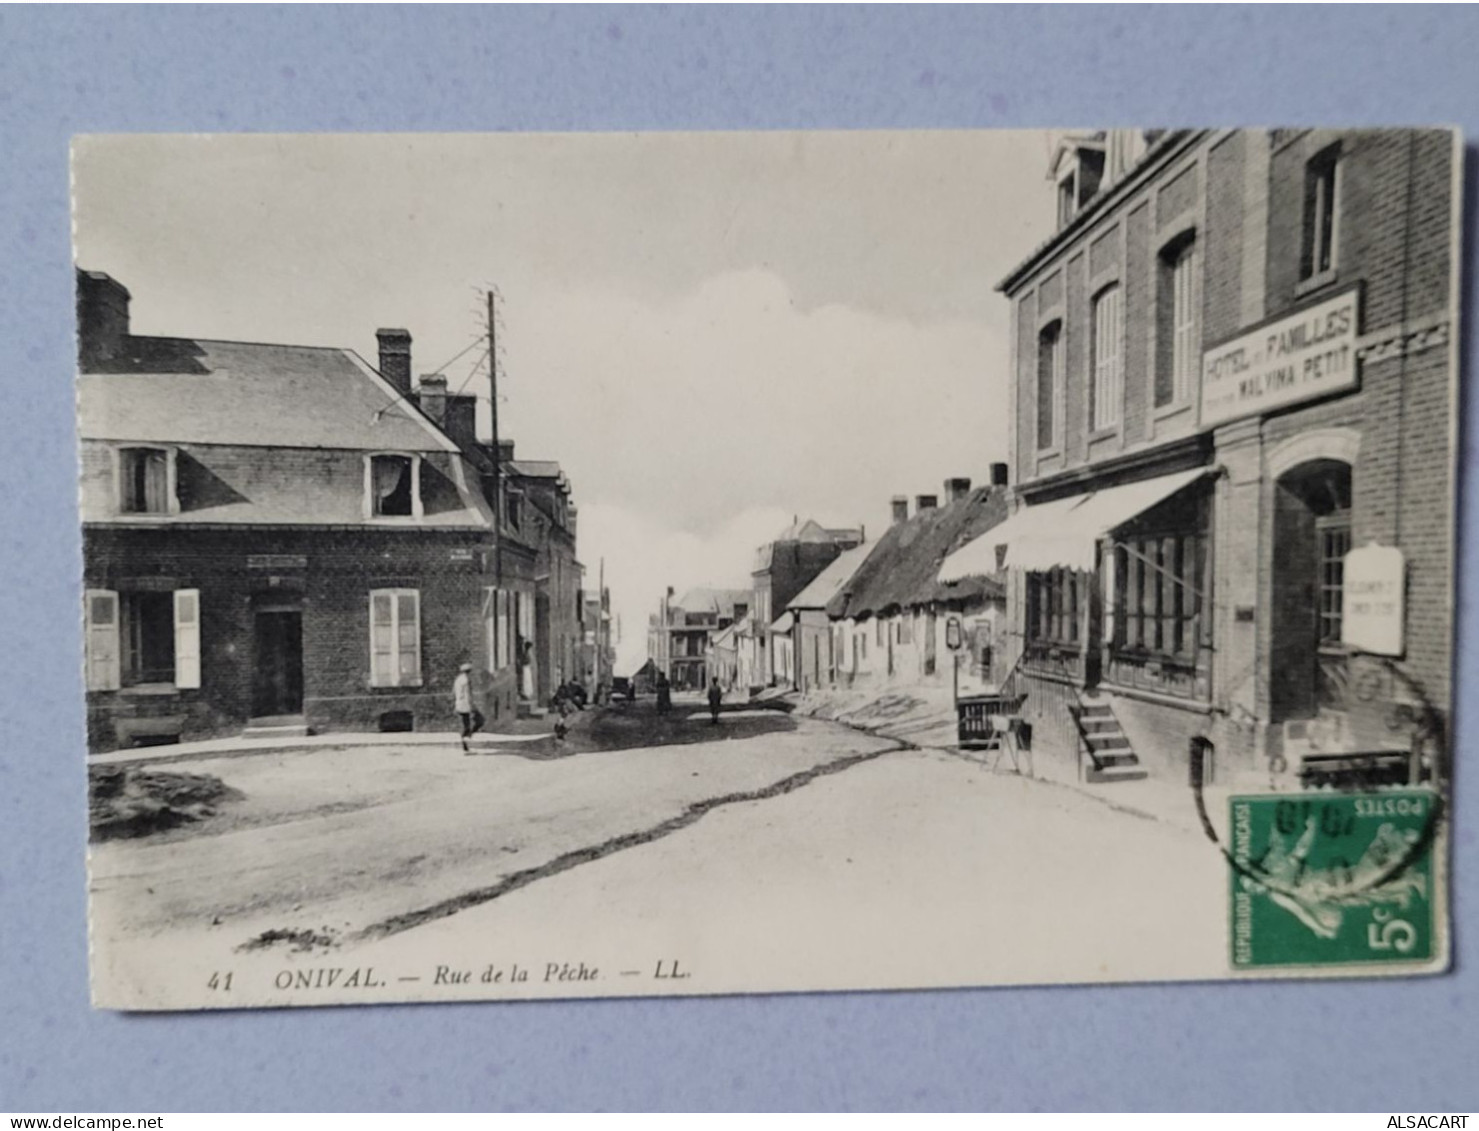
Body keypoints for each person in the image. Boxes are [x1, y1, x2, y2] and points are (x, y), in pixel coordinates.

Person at [453, 662, 483, 753]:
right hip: (466, 704)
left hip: (459, 703)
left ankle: (466, 746)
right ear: (469, 672)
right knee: (479, 721)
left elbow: (455, 692)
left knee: (466, 725)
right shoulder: (466, 680)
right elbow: (468, 694)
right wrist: (472, 706)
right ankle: (466, 741)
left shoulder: (458, 679)